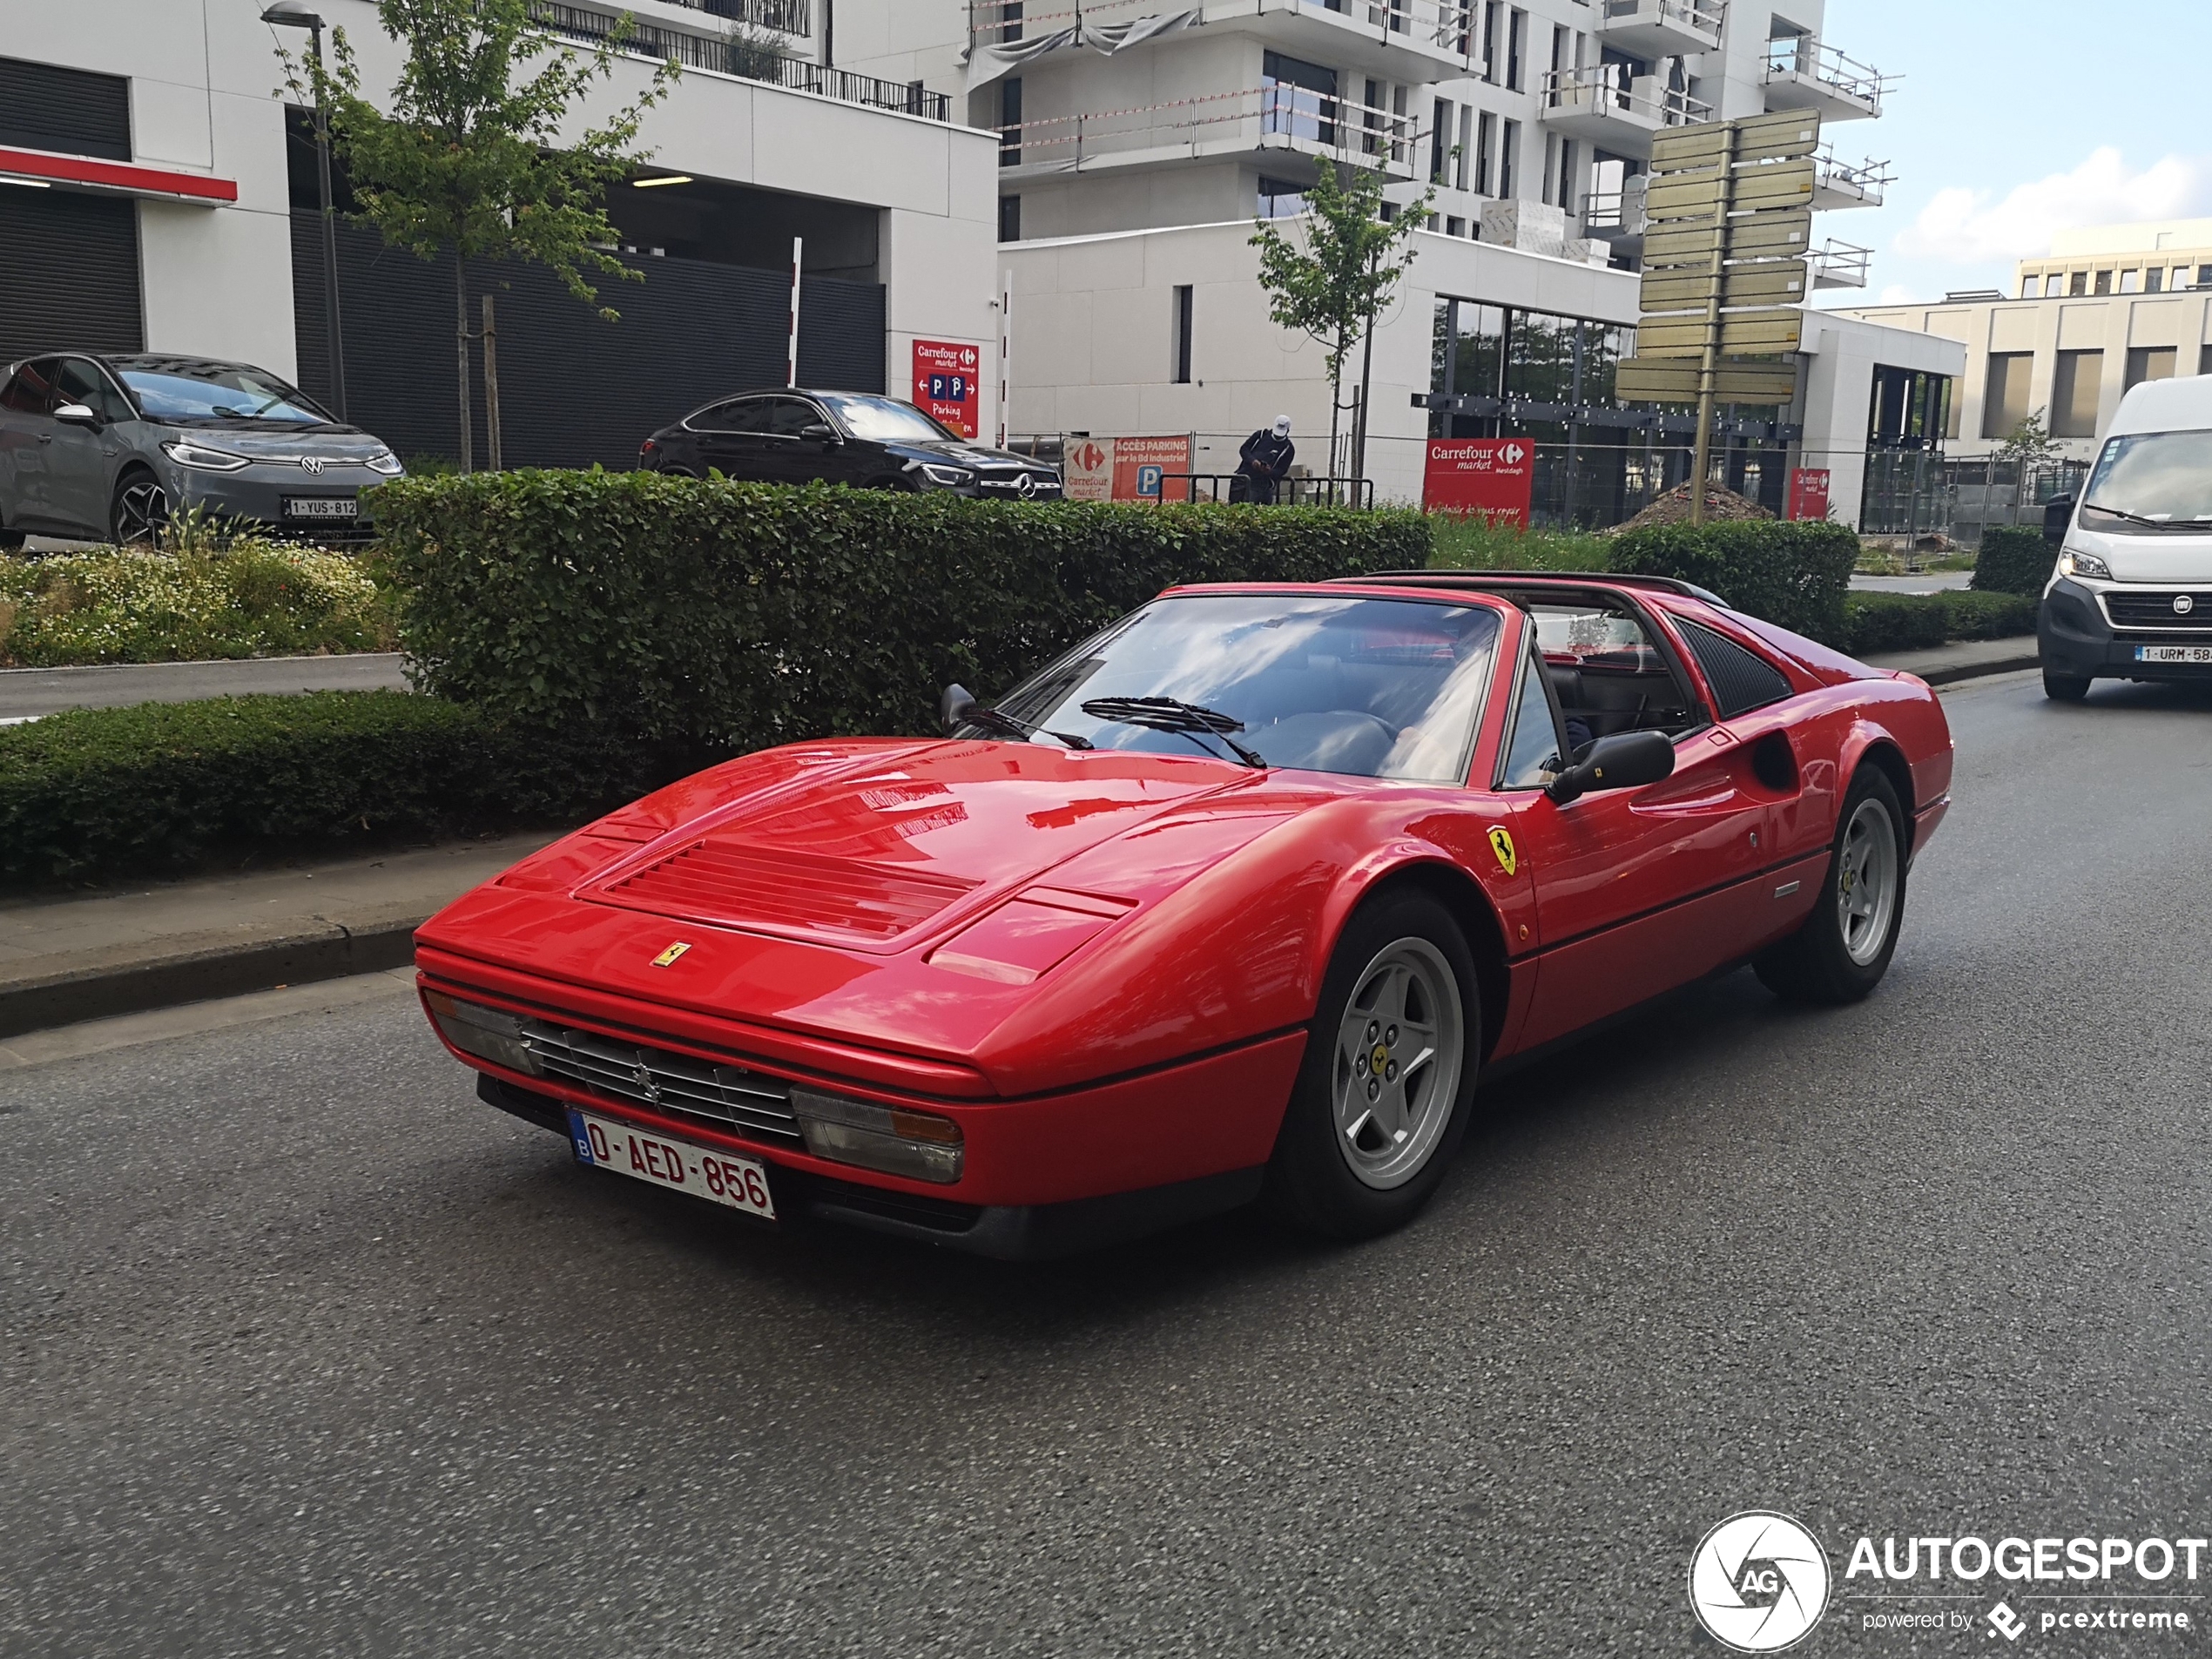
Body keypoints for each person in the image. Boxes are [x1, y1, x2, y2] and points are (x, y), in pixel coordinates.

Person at [1237, 416, 1296, 505]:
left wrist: (1269, 471)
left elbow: (1282, 469)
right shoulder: (1260, 435)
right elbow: (1244, 449)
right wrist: (1253, 461)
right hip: (1243, 479)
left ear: (1288, 430)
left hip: (1264, 485)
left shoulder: (1288, 448)